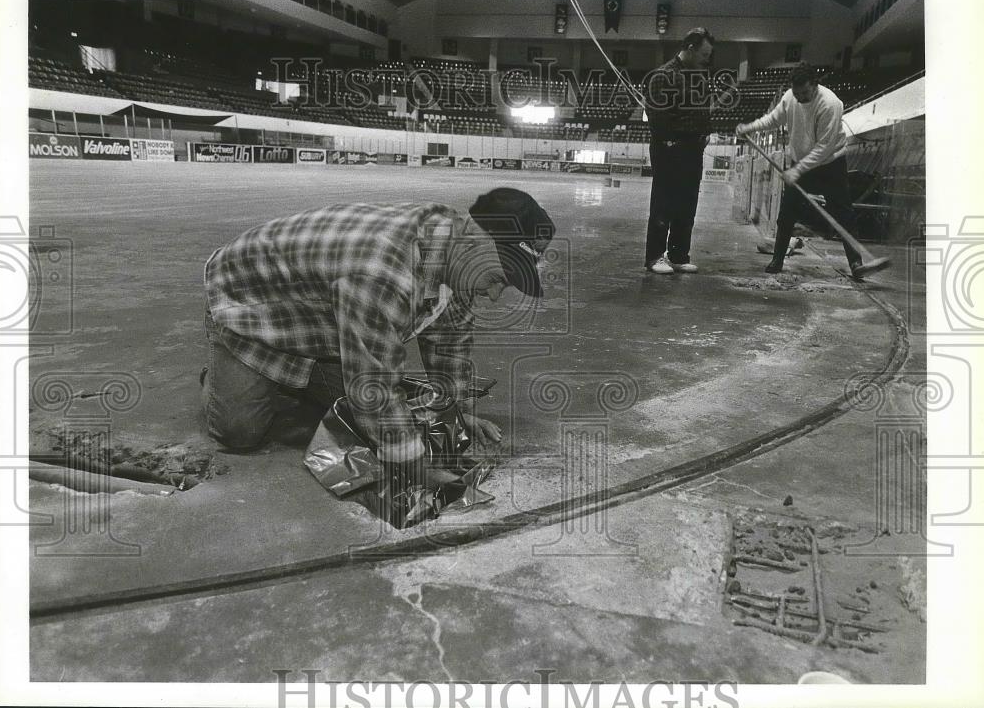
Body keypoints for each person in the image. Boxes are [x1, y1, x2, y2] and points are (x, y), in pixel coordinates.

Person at [201, 187, 555, 489]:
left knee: (371, 411)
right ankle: (223, 376)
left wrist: (461, 411)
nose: (494, 296)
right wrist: (419, 471)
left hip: (321, 320)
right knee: (239, 434)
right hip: (248, 304)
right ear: (479, 238)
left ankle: (298, 378)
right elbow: (375, 389)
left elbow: (451, 344)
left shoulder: (458, 251)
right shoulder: (383, 273)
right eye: (498, 280)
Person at [736, 63, 864, 277]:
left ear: (815, 85)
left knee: (843, 213)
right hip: (801, 162)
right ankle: (777, 259)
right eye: (797, 93)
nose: (800, 97)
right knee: (787, 213)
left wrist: (797, 171)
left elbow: (823, 148)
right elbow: (774, 119)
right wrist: (750, 127)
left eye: (805, 93)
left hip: (831, 163)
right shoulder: (790, 97)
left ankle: (856, 264)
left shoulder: (830, 104)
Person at [642, 27, 716, 275]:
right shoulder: (663, 76)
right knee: (664, 203)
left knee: (687, 204)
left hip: (693, 149)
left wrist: (705, 132)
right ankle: (655, 257)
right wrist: (669, 143)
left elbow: (704, 109)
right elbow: (656, 115)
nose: (707, 59)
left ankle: (678, 254)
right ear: (691, 48)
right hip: (669, 149)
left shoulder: (700, 75)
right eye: (704, 54)